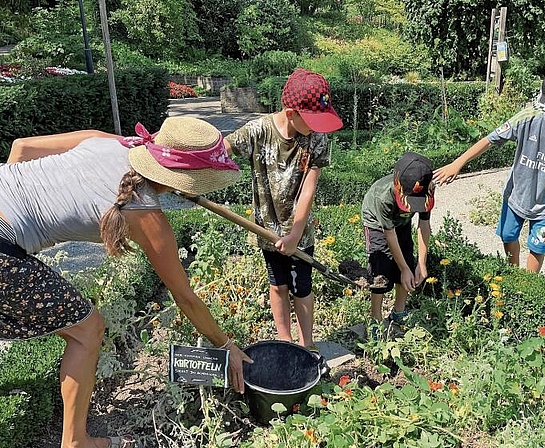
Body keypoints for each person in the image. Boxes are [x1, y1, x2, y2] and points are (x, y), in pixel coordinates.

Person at [0, 117, 253, 448]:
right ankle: (76, 441)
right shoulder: (144, 213)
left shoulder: (110, 141)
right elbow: (185, 296)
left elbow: (22, 147)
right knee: (88, 330)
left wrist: (18, 204)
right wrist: (225, 345)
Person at [224, 68, 343, 350]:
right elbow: (224, 146)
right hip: (267, 228)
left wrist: (295, 235)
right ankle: (285, 341)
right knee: (277, 284)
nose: (317, 127)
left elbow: (308, 189)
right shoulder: (259, 131)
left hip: (300, 233)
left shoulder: (317, 139)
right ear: (291, 113)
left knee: (302, 286)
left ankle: (308, 345)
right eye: (312, 120)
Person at [434, 64, 545, 273]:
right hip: (515, 196)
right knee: (508, 236)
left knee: (537, 247)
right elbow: (490, 139)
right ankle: (512, 274)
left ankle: (528, 284)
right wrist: (458, 163)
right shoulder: (529, 116)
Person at [361, 152, 434, 336]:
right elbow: (389, 235)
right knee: (381, 269)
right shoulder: (382, 197)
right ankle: (375, 319)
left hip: (401, 222)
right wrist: (403, 269)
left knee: (408, 260)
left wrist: (421, 263)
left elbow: (423, 226)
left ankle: (398, 312)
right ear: (397, 184)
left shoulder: (428, 189)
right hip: (377, 223)